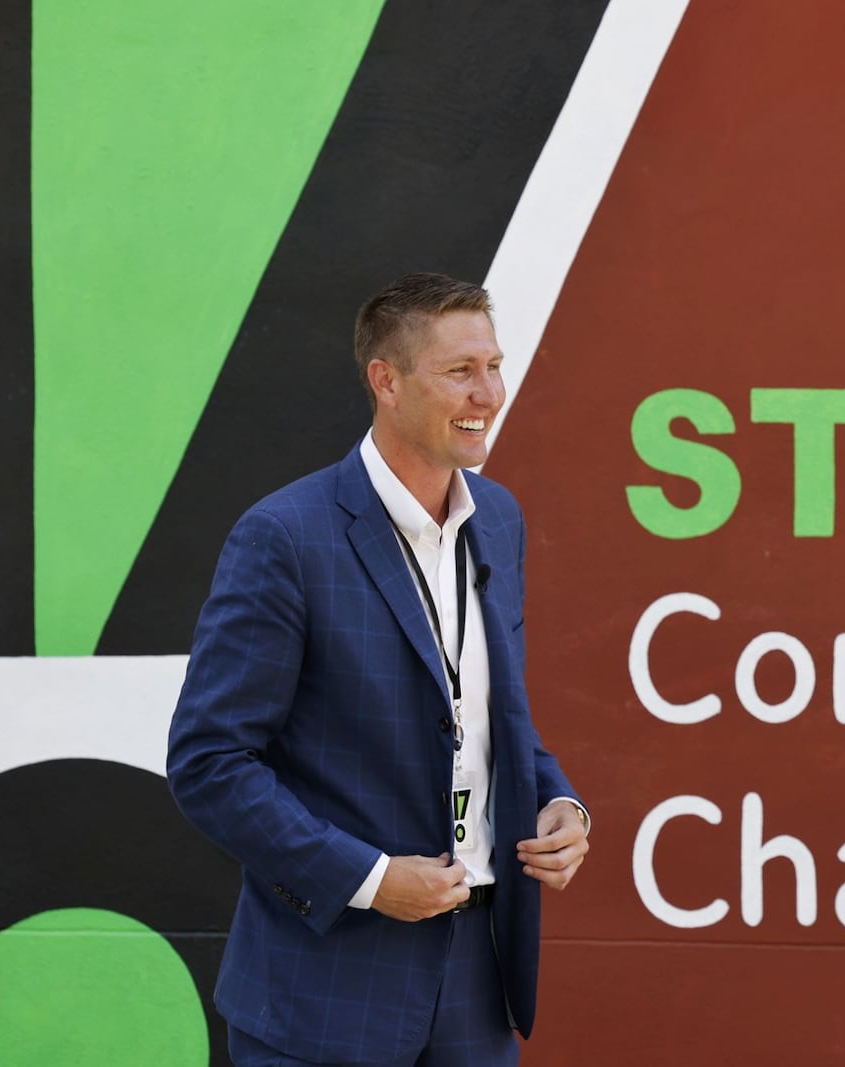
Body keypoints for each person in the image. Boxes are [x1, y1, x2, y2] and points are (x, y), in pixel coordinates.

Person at [168, 272, 588, 1066]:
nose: (489, 392)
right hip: (324, 990)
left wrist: (557, 800)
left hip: (478, 991)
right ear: (386, 381)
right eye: (461, 370)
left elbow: (489, 717)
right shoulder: (284, 537)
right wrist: (366, 877)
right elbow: (209, 764)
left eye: (494, 365)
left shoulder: (498, 519)